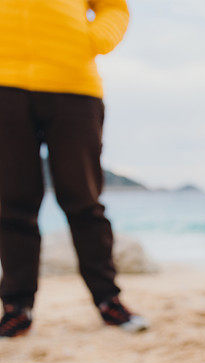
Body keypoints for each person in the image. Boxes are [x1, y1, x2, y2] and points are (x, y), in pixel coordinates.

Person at [0, 0, 147, 337]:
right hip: (4, 87)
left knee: (84, 202)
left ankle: (108, 300)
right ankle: (16, 308)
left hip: (75, 86)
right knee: (12, 203)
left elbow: (114, 8)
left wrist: (93, 39)